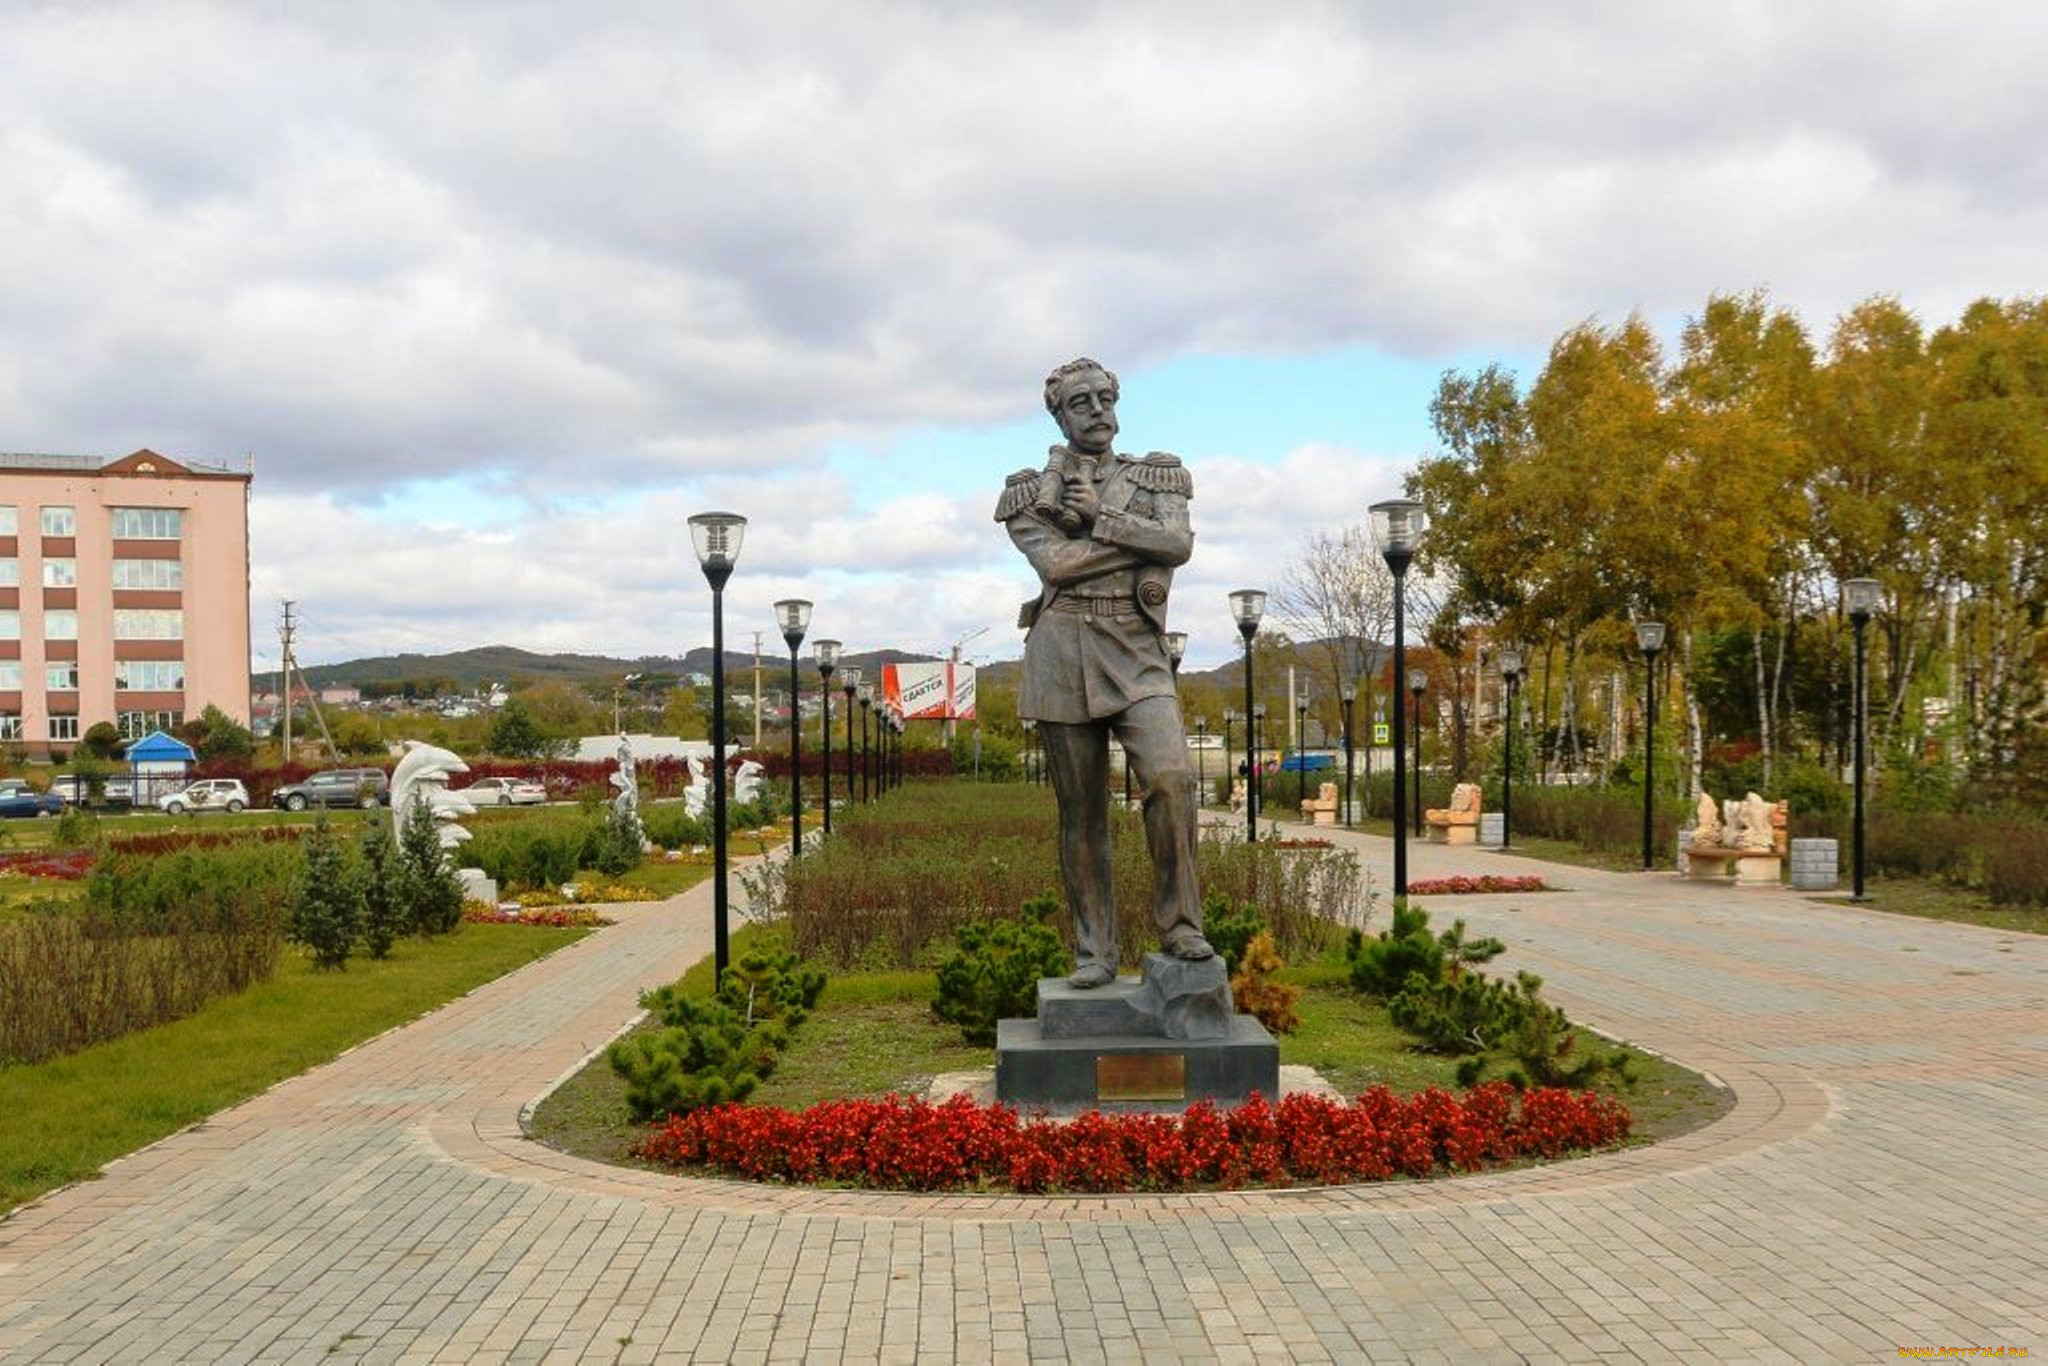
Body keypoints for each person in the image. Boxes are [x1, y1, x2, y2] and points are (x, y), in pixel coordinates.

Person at [995, 357, 1211, 988]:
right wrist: (1139, 539)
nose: (1096, 410)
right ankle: (1095, 950)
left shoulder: (1157, 477)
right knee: (1081, 813)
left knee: (1171, 778)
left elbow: (1180, 546)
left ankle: (1181, 925)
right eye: (1080, 402)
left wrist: (1104, 520)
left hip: (1137, 651)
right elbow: (1056, 568)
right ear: (1059, 416)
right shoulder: (1030, 493)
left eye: (1103, 397)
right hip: (1061, 653)